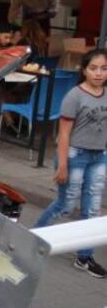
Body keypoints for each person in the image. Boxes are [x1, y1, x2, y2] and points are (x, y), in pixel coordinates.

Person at [33, 49, 107, 278]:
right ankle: (33, 239)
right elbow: (63, 134)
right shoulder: (74, 95)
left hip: (100, 156)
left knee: (92, 208)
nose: (98, 73)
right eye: (93, 68)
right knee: (65, 204)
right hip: (75, 155)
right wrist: (62, 164)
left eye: (104, 68)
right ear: (84, 70)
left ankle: (85, 257)